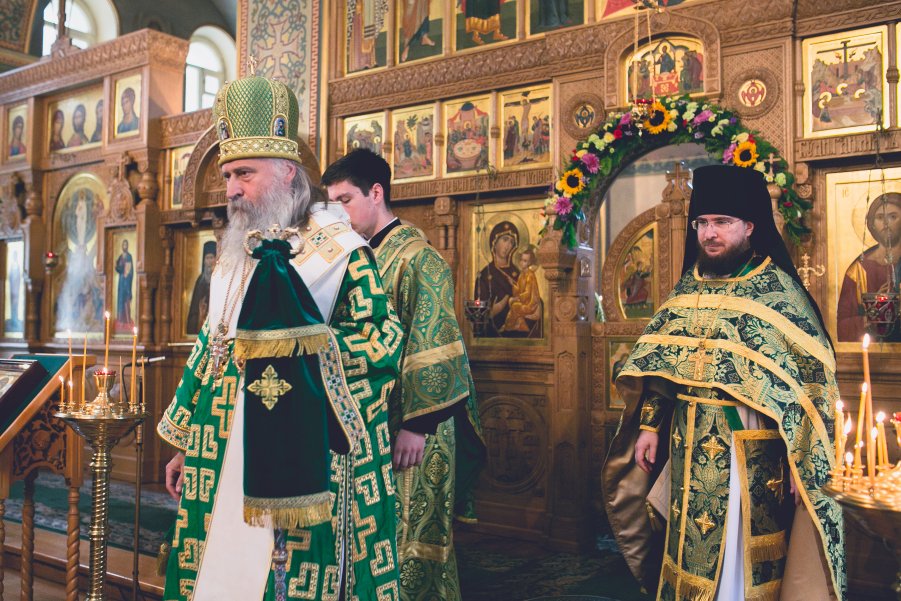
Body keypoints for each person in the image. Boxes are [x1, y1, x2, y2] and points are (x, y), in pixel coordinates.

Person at [157, 75, 403, 601]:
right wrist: (183, 441)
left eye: (244, 173)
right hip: (217, 453)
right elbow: (211, 344)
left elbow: (381, 340)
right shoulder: (234, 253)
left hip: (299, 450)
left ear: (288, 171)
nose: (230, 189)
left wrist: (303, 357)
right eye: (227, 175)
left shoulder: (339, 251)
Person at [602, 165, 845, 601]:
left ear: (749, 226)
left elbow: (809, 386)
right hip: (686, 442)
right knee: (686, 546)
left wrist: (801, 460)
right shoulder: (687, 288)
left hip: (749, 448)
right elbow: (661, 368)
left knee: (738, 552)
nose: (710, 234)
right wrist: (650, 426)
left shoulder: (777, 290)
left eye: (722, 222)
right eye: (703, 223)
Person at [323, 148, 485, 601]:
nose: (337, 215)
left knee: (410, 539)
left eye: (345, 201)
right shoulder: (353, 258)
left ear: (376, 193)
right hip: (368, 423)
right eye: (331, 204)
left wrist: (417, 425)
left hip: (417, 426)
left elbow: (434, 341)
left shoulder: (418, 257)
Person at [837, 192, 901, 342]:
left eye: (893, 217)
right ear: (871, 223)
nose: (886, 223)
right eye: (880, 217)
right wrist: (874, 314)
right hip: (870, 349)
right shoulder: (858, 270)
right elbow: (842, 325)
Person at [501, 245, 541, 333]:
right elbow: (518, 290)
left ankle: (508, 327)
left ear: (530, 263)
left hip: (531, 304)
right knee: (513, 303)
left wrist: (517, 298)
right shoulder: (521, 275)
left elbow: (527, 293)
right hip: (524, 301)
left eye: (525, 261)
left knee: (515, 306)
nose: (522, 263)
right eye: (521, 260)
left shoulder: (530, 275)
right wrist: (512, 284)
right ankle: (514, 325)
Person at [186, 240, 216, 335]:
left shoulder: (219, 279)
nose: (209, 261)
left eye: (211, 258)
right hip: (202, 319)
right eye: (207, 258)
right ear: (204, 261)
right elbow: (194, 307)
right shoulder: (200, 281)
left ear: (216, 259)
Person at [114, 239, 134, 328]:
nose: (124, 246)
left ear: (127, 246)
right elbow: (119, 269)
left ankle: (127, 320)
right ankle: (120, 319)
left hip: (127, 281)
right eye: (123, 245)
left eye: (126, 245)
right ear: (122, 246)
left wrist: (126, 274)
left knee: (126, 300)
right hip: (121, 281)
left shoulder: (129, 256)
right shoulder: (120, 257)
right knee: (121, 300)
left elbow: (130, 270)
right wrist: (116, 266)